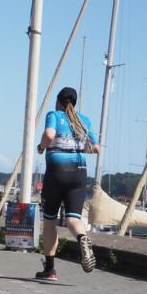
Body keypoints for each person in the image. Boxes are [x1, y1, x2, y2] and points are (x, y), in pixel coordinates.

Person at [35, 87, 100, 281]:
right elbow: (95, 148)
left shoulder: (53, 115)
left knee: (49, 221)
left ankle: (50, 269)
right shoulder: (84, 120)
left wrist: (40, 147)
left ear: (58, 101)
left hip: (57, 173)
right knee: (74, 219)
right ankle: (82, 238)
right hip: (79, 173)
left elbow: (48, 135)